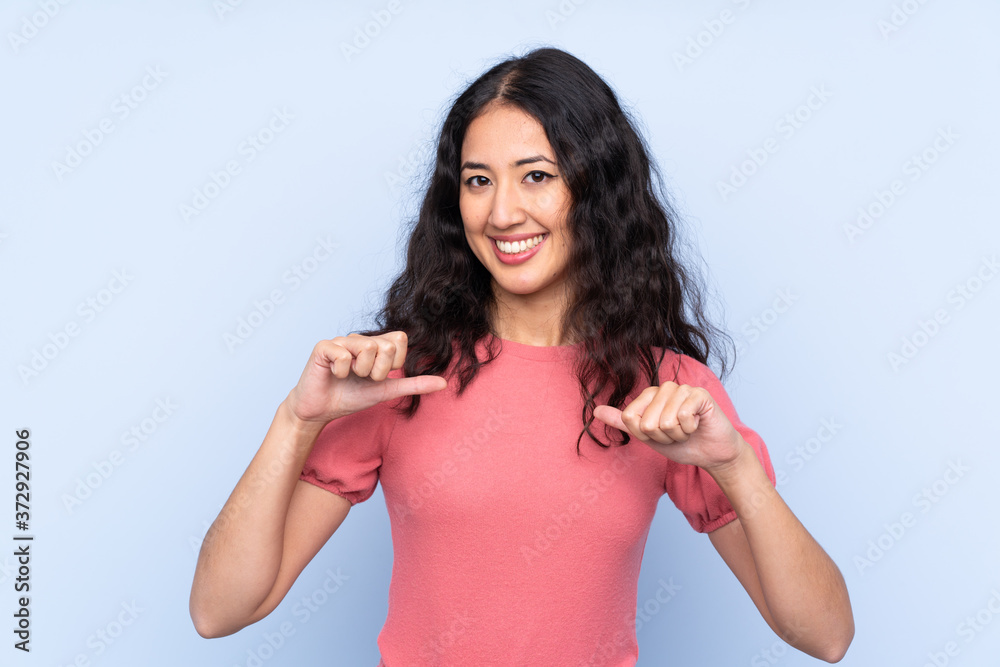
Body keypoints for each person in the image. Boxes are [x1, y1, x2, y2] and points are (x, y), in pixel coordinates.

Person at [189, 47, 854, 665]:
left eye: (536, 176)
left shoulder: (667, 394)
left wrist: (735, 464)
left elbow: (825, 634)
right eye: (478, 180)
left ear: (595, 191)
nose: (503, 211)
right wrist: (295, 421)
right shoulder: (400, 380)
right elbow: (220, 610)